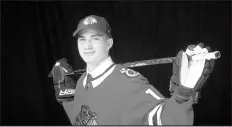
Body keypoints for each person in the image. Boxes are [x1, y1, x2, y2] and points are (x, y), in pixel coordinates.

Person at [48, 15, 215, 125]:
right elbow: (80, 120)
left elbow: (166, 120)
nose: (87, 46)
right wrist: (67, 100)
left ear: (109, 43)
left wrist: (182, 95)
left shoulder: (128, 81)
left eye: (95, 38)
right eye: (82, 39)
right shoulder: (82, 82)